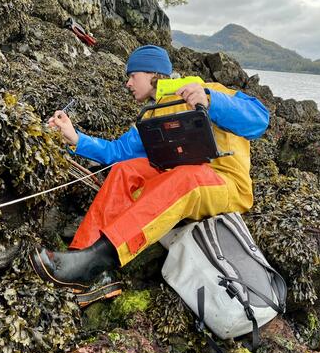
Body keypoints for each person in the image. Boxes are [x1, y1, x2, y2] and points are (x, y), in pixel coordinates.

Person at [30, 45, 269, 293]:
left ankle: (98, 260)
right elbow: (117, 153)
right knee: (127, 169)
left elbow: (260, 120)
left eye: (132, 75)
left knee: (187, 176)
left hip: (227, 185)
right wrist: (74, 137)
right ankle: (80, 261)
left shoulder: (210, 90)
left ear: (152, 73)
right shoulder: (153, 114)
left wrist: (210, 100)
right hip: (178, 181)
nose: (128, 83)